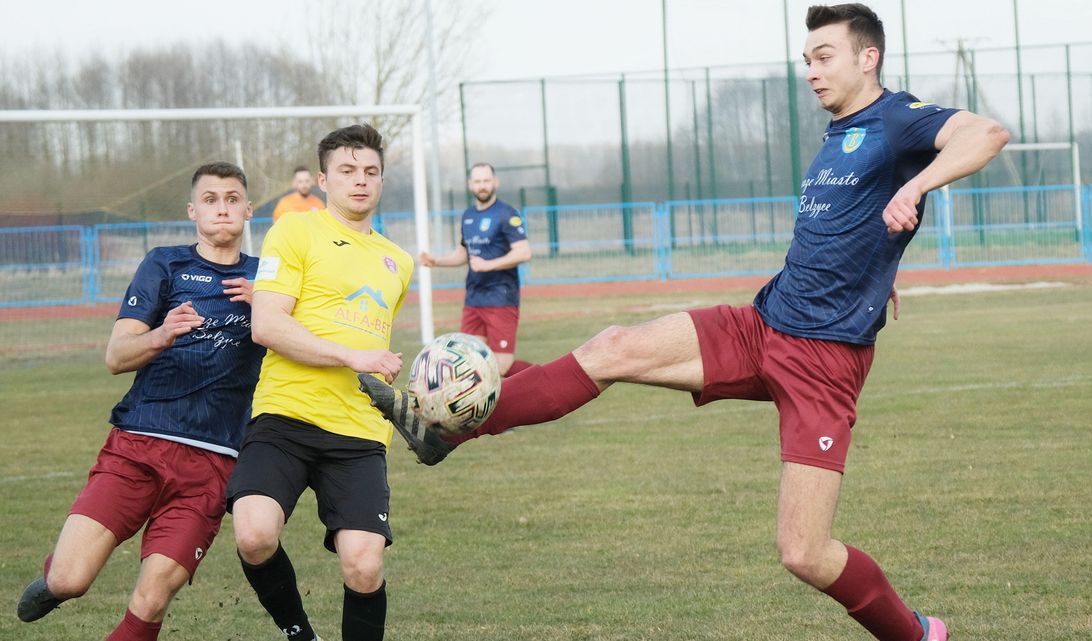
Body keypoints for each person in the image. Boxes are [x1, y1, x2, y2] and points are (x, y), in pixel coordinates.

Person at [360, 4, 1009, 641]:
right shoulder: (839, 133)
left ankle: (918, 635)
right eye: (806, 58)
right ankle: (444, 433)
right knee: (613, 346)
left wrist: (916, 187)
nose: (811, 70)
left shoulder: (897, 119)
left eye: (824, 56)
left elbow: (987, 133)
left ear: (868, 58)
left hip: (824, 363)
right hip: (763, 324)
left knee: (803, 551)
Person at [16, 162, 263, 641]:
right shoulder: (164, 263)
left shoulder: (268, 278)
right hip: (137, 446)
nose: (222, 209)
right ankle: (54, 580)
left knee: (150, 601)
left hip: (212, 464)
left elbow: (303, 341)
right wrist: (162, 334)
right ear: (193, 211)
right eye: (210, 200)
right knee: (71, 579)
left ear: (249, 210)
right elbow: (116, 356)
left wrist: (268, 310)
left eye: (232, 199)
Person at [227, 123, 414, 641]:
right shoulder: (292, 231)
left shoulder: (398, 261)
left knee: (364, 566)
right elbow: (267, 325)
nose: (361, 180)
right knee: (255, 535)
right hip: (284, 417)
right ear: (324, 180)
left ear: (381, 180)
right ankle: (299, 633)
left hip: (357, 434)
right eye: (348, 171)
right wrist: (352, 355)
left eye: (371, 171)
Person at [419, 162, 533, 376]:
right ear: (471, 185)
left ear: (495, 182)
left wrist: (488, 265)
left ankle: (537, 378)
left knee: (501, 367)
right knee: (470, 362)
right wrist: (436, 261)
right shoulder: (468, 216)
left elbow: (524, 252)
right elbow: (463, 254)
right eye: (478, 181)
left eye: (486, 181)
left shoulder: (507, 214)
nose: (483, 186)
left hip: (500, 298)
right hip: (473, 299)